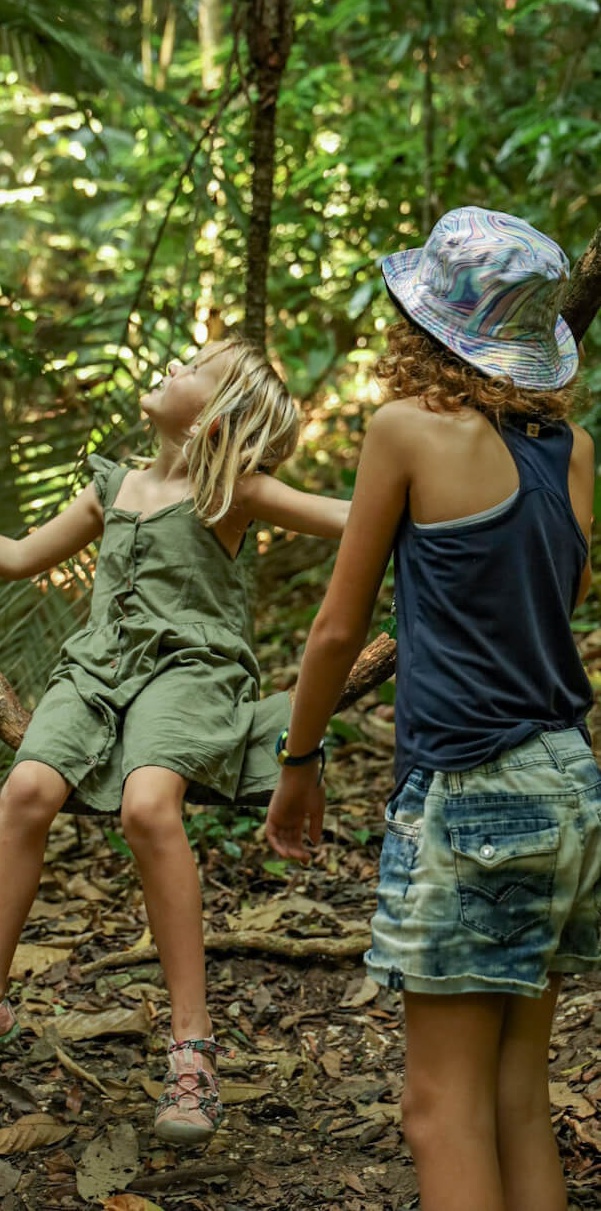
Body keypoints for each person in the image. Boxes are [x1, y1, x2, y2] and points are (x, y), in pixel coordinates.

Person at [0, 336, 349, 1145]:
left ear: (217, 419)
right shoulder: (114, 485)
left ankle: (191, 1047)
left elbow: (351, 517)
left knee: (149, 807)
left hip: (190, 673)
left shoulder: (237, 491)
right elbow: (20, 559)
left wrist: (446, 488)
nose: (171, 368)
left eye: (193, 370)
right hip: (94, 674)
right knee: (25, 791)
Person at [265, 206, 600, 1211]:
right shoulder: (572, 450)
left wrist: (299, 757)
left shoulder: (404, 431)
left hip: (474, 795)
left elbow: (336, 630)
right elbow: (543, 590)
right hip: (568, 783)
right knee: (516, 1098)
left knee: (437, 1109)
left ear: (425, 326)